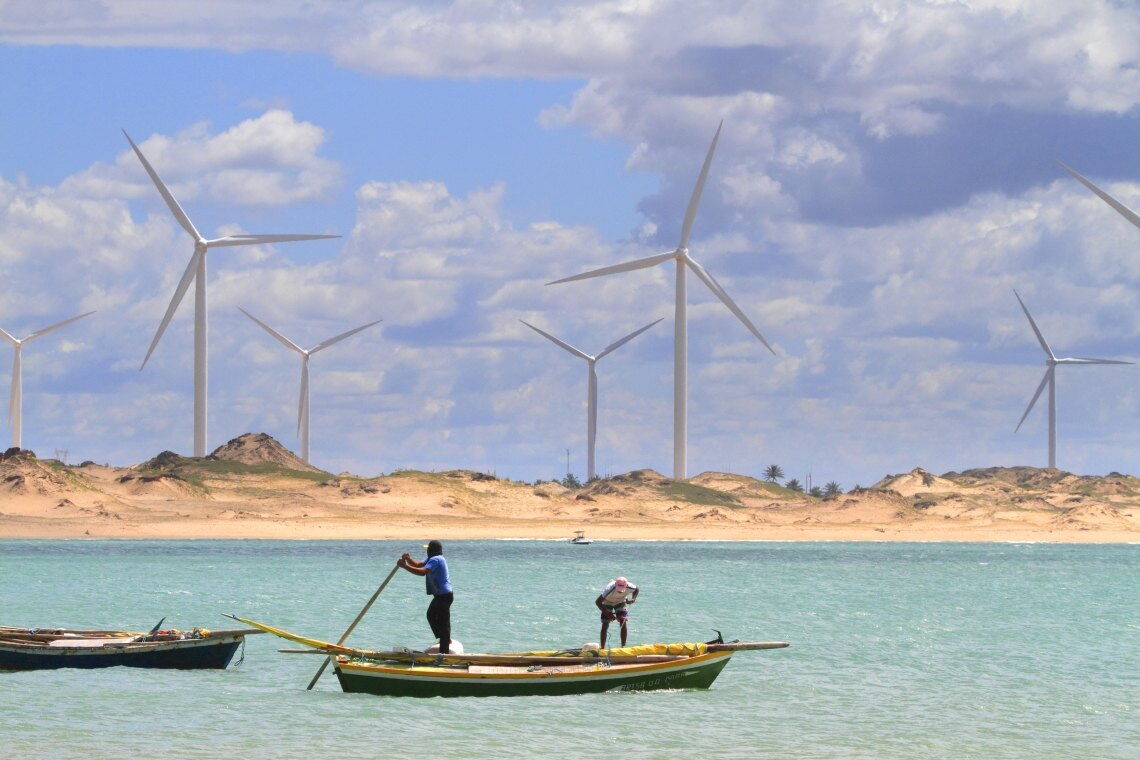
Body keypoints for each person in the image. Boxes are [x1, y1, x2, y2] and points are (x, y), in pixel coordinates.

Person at [398, 540, 453, 654]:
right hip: (440, 596)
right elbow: (419, 565)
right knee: (431, 615)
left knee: (443, 623)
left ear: (433, 550)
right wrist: (408, 559)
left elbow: (423, 572)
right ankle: (445, 639)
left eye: (428, 549)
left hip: (444, 596)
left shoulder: (436, 559)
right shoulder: (432, 558)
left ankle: (444, 652)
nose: (427, 551)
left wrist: (405, 566)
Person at [595, 576, 639, 649]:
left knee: (623, 621)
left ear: (626, 585)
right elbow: (598, 602)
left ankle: (623, 646)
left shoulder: (630, 586)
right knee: (605, 624)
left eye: (622, 589)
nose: (619, 591)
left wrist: (633, 598)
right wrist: (606, 613)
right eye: (618, 589)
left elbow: (637, 589)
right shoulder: (609, 588)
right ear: (615, 585)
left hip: (620, 601)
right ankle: (602, 648)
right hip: (607, 602)